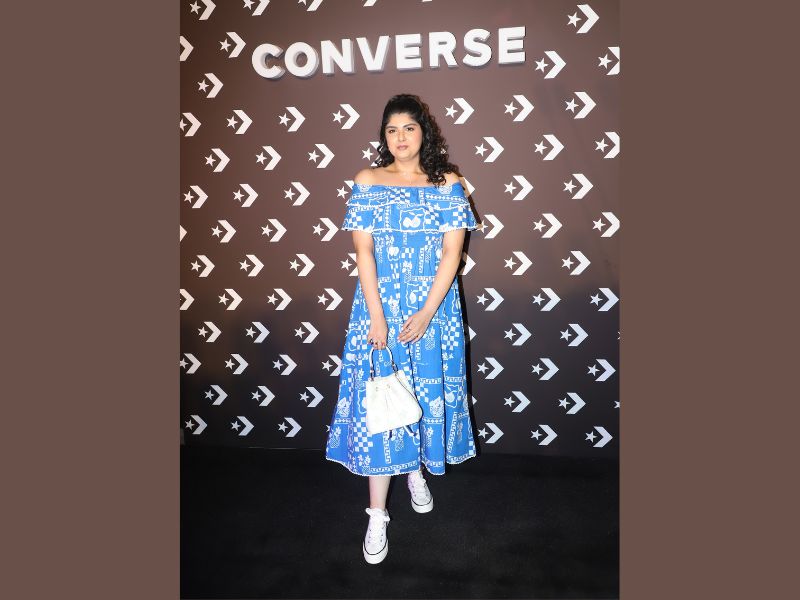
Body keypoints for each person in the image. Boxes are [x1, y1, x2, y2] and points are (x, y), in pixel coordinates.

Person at [325, 93, 479, 564]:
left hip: (434, 311)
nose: (400, 137)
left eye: (408, 128)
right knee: (382, 405)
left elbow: (453, 253)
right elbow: (363, 251)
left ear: (423, 132)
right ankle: (377, 515)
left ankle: (413, 470)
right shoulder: (368, 180)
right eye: (391, 130)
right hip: (381, 309)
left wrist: (428, 312)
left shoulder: (448, 183)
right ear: (384, 136)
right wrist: (377, 316)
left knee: (420, 398)